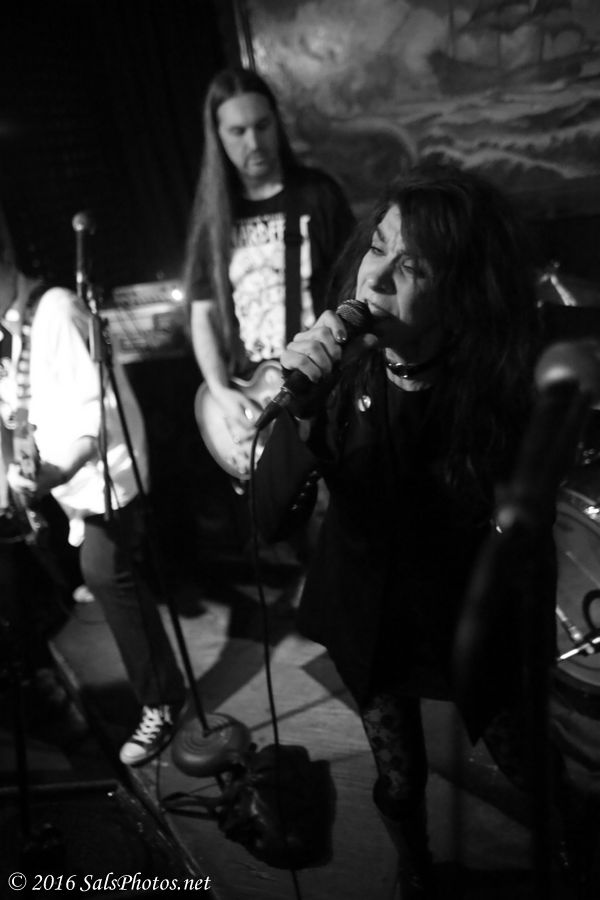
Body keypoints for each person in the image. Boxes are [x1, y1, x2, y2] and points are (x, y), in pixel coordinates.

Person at [253, 164, 595, 897]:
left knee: (526, 758)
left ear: (460, 292)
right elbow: (268, 519)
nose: (374, 279)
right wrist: (302, 411)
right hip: (371, 611)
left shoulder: (500, 380)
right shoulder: (337, 373)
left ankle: (576, 840)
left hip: (467, 614)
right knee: (400, 776)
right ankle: (414, 868)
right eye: (378, 248)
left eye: (412, 267)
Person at [0, 236, 185, 768]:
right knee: (109, 576)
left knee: (106, 573)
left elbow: (95, 415)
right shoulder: (14, 325)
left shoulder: (57, 310)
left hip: (107, 473)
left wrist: (53, 473)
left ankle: (161, 703)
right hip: (70, 483)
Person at [183, 67, 354, 572]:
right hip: (250, 395)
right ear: (218, 137)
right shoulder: (214, 213)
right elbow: (201, 312)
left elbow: (353, 289)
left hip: (317, 388)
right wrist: (220, 389)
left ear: (277, 122)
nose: (253, 142)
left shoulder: (317, 195)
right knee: (286, 528)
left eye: (262, 125)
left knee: (339, 523)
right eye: (237, 131)